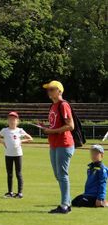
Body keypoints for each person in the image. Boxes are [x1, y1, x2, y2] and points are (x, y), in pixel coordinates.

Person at [42, 81, 75, 214]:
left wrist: (52, 131)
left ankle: (65, 205)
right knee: (58, 174)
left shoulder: (63, 105)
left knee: (62, 174)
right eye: (48, 89)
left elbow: (70, 126)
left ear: (59, 91)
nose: (49, 92)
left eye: (51, 89)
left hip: (64, 143)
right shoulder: (53, 106)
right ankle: (67, 202)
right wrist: (46, 127)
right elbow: (55, 125)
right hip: (54, 144)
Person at [0, 112, 33, 199]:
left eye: (14, 119)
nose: (12, 121)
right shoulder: (4, 130)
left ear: (17, 121)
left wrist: (21, 141)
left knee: (18, 173)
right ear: (7, 121)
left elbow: (30, 138)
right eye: (10, 119)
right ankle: (10, 192)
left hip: (18, 154)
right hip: (8, 154)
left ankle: (20, 192)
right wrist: (3, 142)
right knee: (9, 174)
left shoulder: (20, 130)